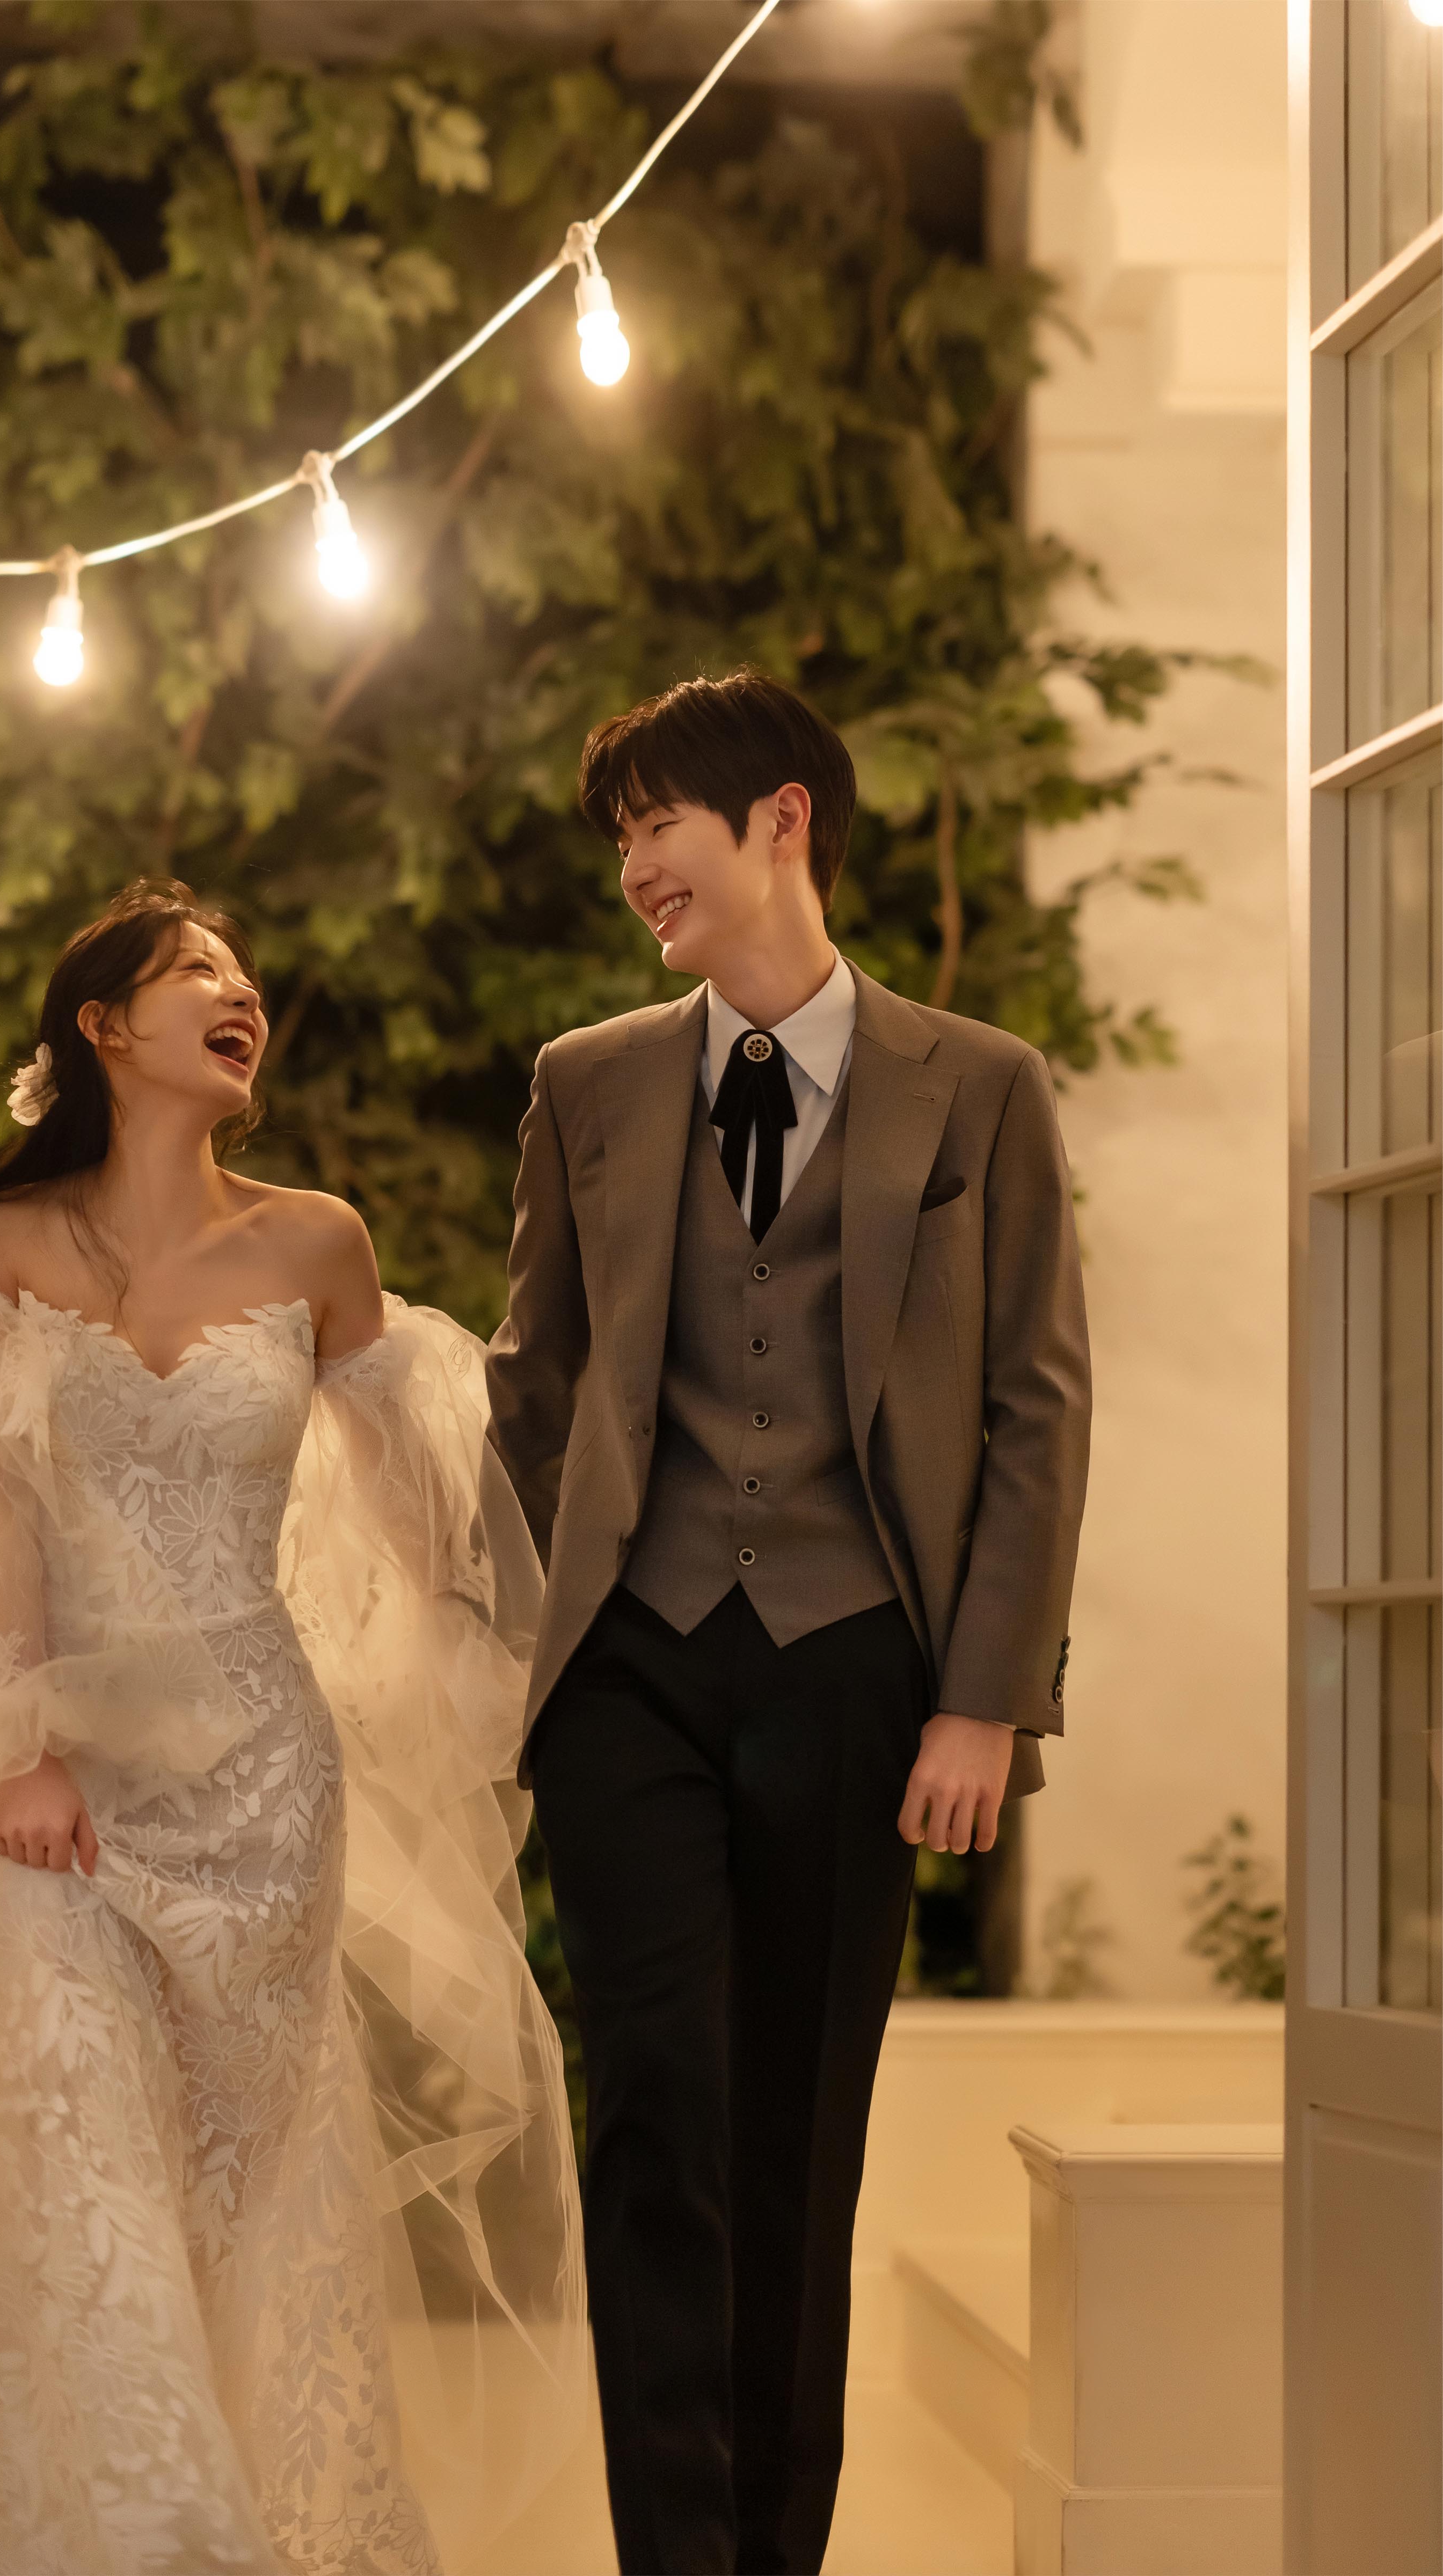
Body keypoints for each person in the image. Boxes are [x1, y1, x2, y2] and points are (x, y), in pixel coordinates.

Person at [0, 879, 585, 2576]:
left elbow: (417, 1529)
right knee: (75, 2171)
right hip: (53, 1783)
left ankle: (276, 2519)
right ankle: (147, 2544)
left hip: (266, 1781)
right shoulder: (6, 1248)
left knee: (247, 2187)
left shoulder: (318, 1241)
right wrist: (18, 1743)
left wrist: (484, 1642)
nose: (241, 996)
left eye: (245, 975)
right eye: (197, 972)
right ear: (101, 1028)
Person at [485, 670, 1091, 2576]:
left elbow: (1033, 1407)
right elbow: (532, 1380)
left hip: (857, 1667)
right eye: (620, 838)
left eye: (659, 822)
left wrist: (982, 1701)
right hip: (632, 1668)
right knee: (653, 2114)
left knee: (798, 2136)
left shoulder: (976, 1084)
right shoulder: (587, 1082)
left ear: (782, 821)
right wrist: (541, 1616)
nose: (635, 866)